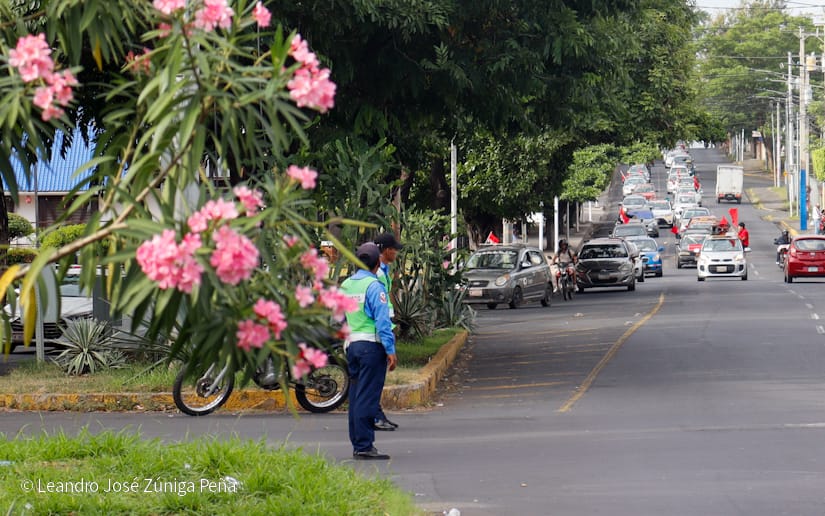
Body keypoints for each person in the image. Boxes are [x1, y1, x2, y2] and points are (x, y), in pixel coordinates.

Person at [341, 242, 398, 460]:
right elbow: (383, 321)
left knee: (355, 397)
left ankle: (358, 442)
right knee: (368, 397)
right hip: (371, 347)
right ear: (376, 263)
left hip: (352, 346)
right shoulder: (374, 286)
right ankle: (365, 445)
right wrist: (390, 349)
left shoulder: (346, 285)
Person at [372, 232, 403, 432]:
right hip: (377, 330)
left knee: (377, 377)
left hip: (382, 326)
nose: (396, 253)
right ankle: (374, 415)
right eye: (394, 249)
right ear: (386, 250)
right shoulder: (377, 273)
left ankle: (377, 413)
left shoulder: (383, 270)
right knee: (375, 378)